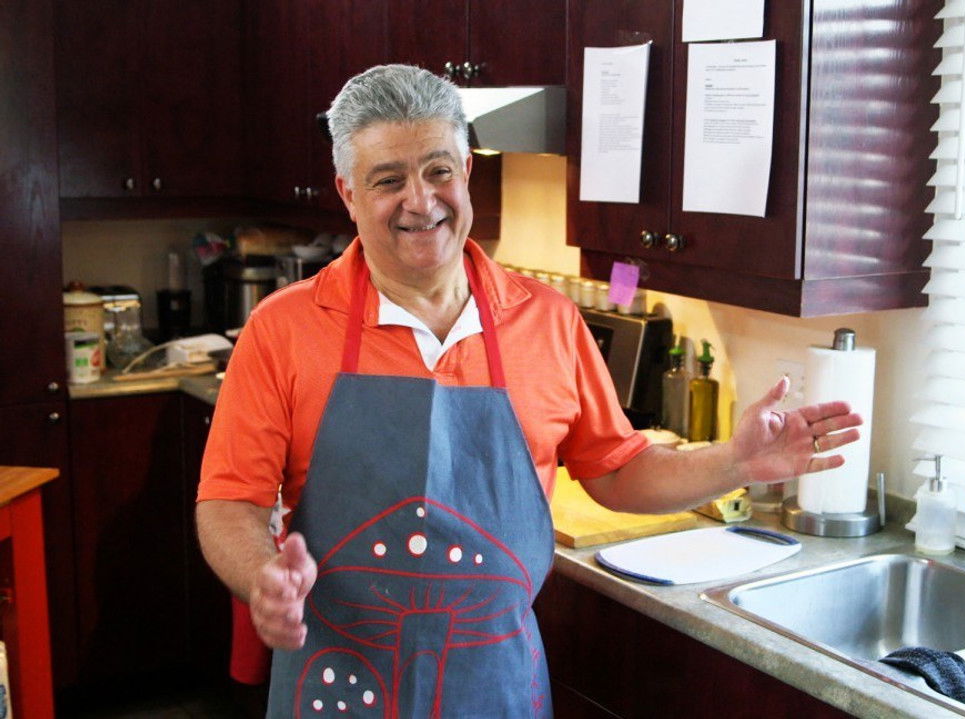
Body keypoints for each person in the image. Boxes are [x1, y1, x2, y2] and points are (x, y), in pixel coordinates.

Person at [195, 64, 863, 717]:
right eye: (388, 180)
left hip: (494, 687)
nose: (420, 201)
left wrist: (736, 461)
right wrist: (262, 576)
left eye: (438, 170)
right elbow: (229, 500)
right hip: (340, 685)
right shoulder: (282, 329)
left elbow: (618, 471)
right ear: (347, 192)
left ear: (467, 170)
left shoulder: (548, 321)